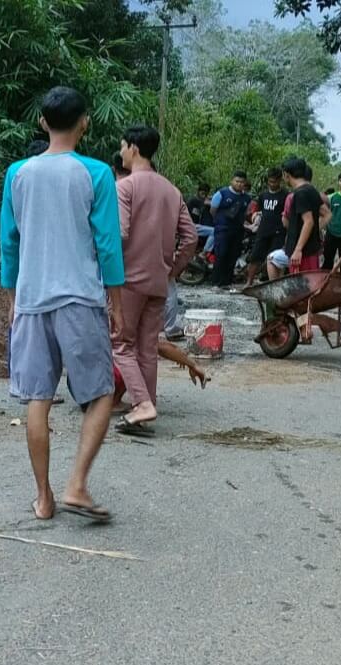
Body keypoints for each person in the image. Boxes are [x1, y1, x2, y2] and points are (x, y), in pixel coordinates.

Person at [0, 86, 123, 522]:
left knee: (38, 398)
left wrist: (14, 299)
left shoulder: (17, 174)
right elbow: (108, 245)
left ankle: (44, 497)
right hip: (80, 299)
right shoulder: (97, 173)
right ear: (84, 122)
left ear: (42, 122)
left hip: (32, 302)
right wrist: (118, 303)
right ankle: (77, 484)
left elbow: (9, 245)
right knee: (102, 391)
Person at [111, 125, 196, 437]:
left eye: (122, 147)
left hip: (128, 280)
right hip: (158, 281)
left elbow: (118, 234)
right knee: (146, 347)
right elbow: (190, 238)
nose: (121, 153)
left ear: (133, 148)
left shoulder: (125, 188)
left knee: (120, 344)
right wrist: (172, 269)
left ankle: (142, 405)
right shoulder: (172, 190)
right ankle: (145, 407)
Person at [267, 157, 325, 277]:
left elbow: (308, 222)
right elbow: (323, 215)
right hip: (311, 248)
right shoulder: (312, 190)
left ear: (286, 174)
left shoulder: (300, 193)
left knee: (301, 287)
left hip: (303, 251)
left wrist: (298, 249)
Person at [244, 168, 288, 287]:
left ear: (280, 181)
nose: (272, 184)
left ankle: (274, 284)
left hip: (279, 232)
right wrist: (255, 218)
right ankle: (249, 282)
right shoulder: (263, 195)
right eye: (270, 181)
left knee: (275, 259)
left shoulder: (286, 195)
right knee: (255, 257)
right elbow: (257, 211)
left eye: (275, 181)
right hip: (263, 231)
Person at [208, 171, 252, 286]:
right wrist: (219, 222)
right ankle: (216, 282)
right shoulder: (222, 193)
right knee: (221, 253)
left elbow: (246, 213)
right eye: (237, 181)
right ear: (232, 181)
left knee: (233, 255)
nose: (239, 184)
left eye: (242, 182)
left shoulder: (247, 198)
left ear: (245, 183)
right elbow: (213, 210)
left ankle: (227, 282)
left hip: (237, 230)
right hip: (222, 229)